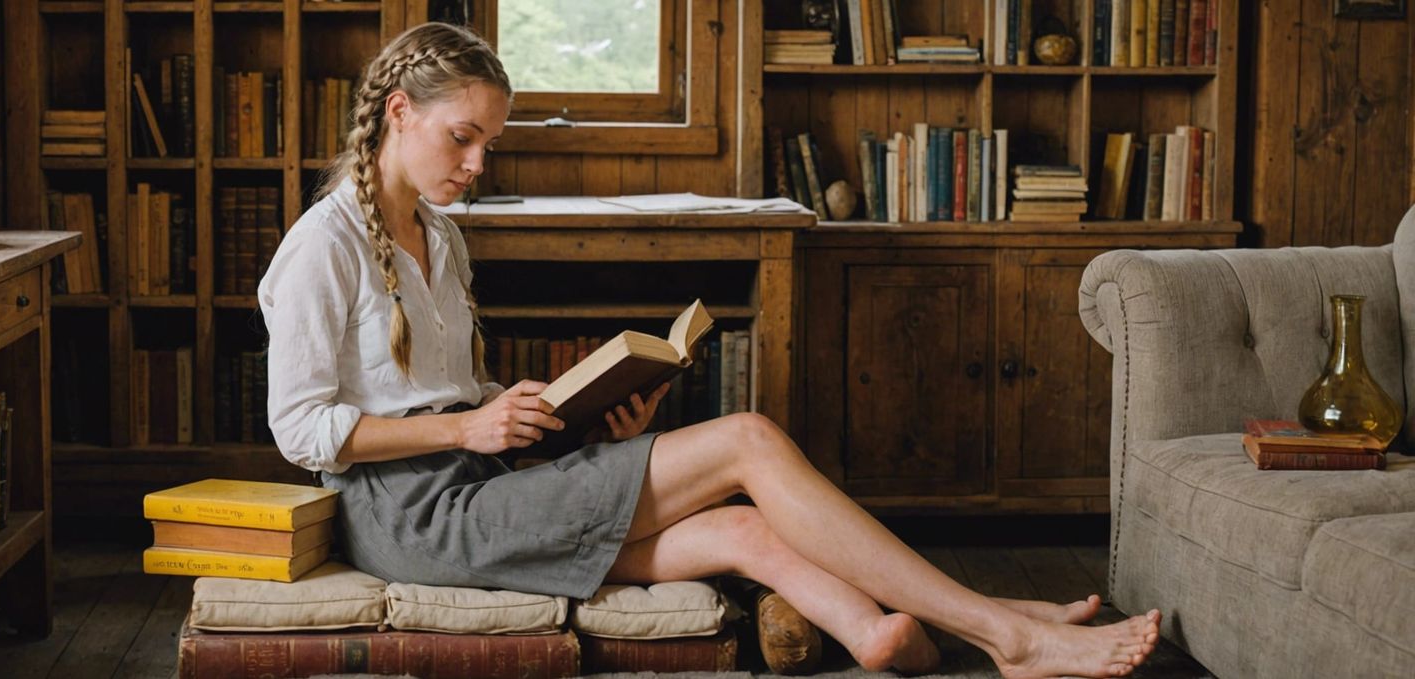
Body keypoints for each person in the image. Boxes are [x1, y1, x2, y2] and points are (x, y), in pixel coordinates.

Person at [260, 21, 1160, 678]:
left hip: (479, 487)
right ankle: (1007, 631)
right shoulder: (324, 243)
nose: (478, 164)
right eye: (464, 138)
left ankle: (875, 631)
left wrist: (554, 413)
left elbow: (458, 400)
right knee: (748, 439)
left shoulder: (441, 235)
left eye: (488, 144)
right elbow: (302, 430)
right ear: (399, 111)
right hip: (410, 517)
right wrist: (469, 431)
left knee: (738, 526)